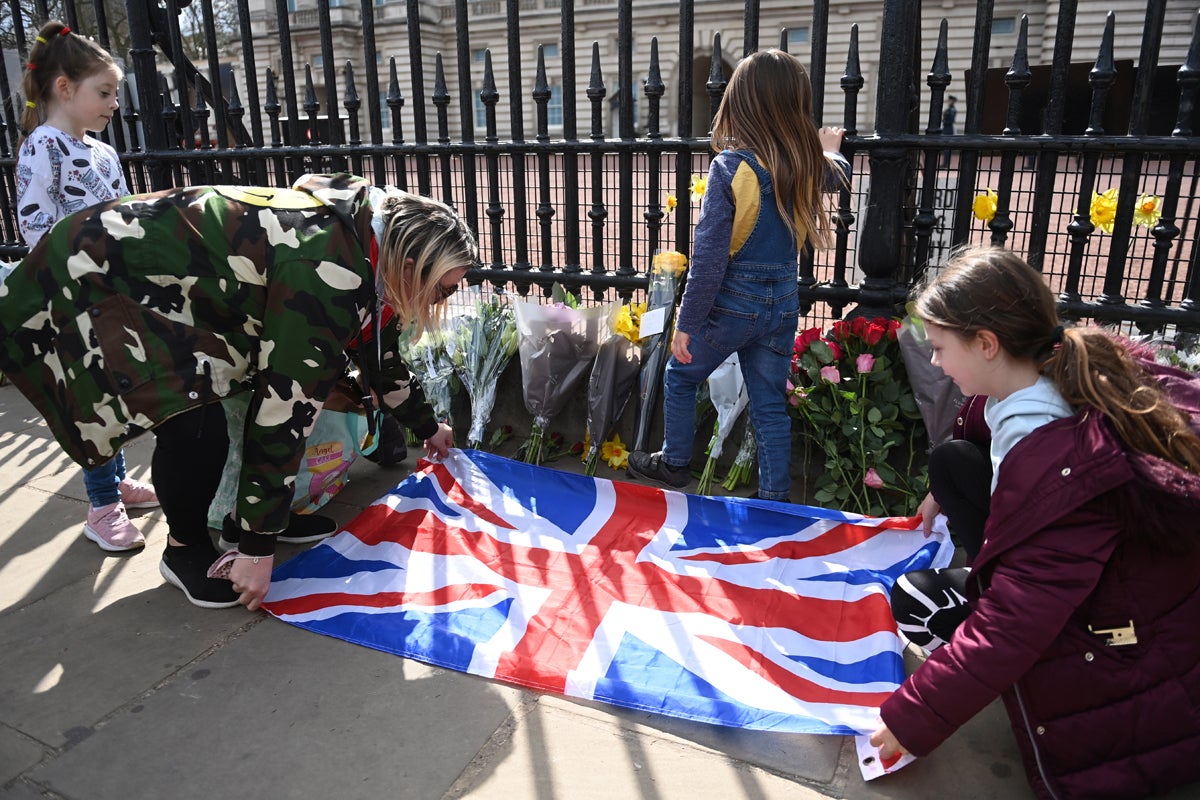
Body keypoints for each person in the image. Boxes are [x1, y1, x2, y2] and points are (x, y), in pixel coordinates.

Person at [0, 172, 475, 611]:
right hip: (105, 275)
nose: (444, 300)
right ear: (411, 264)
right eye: (444, 290)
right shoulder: (328, 269)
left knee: (240, 399)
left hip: (168, 280)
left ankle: (239, 522)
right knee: (192, 417)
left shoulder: (371, 249)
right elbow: (284, 413)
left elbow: (378, 355)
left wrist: (429, 426)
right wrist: (258, 551)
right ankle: (184, 550)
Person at [870, 246, 1200, 799]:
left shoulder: (1052, 457)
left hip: (1128, 650)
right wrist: (939, 493)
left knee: (917, 600)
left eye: (941, 348)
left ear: (987, 344)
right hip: (1124, 591)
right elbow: (977, 429)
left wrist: (914, 716)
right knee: (952, 466)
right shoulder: (1047, 372)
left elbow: (1015, 622)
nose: (935, 363)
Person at [627, 48, 850, 502]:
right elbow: (837, 175)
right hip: (783, 304)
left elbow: (708, 262)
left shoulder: (730, 168)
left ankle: (674, 464)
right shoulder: (805, 165)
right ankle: (775, 494)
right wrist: (831, 152)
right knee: (769, 404)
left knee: (680, 377)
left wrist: (686, 325)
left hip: (732, 304)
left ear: (740, 103)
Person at [14, 20, 159, 553]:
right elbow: (37, 229)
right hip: (69, 299)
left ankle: (116, 481)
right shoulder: (42, 147)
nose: (114, 103)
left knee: (118, 391)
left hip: (112, 294)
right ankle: (101, 507)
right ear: (64, 88)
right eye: (105, 92)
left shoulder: (102, 153)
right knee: (89, 399)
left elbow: (122, 216)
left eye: (116, 93)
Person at [940, 95, 957, 167]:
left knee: (947, 148)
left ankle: (945, 164)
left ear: (952, 101)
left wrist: (944, 121)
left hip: (948, 130)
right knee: (946, 149)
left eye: (949, 100)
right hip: (946, 129)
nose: (948, 101)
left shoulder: (952, 110)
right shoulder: (949, 109)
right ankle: (945, 163)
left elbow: (951, 121)